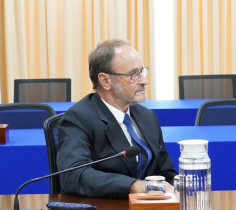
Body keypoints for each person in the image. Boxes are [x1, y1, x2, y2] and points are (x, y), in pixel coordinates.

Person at [57, 39, 177, 198]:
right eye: (133, 74)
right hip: (104, 209)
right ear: (105, 81)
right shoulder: (78, 118)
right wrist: (134, 186)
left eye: (142, 71)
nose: (144, 80)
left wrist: (181, 190)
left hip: (149, 208)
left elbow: (165, 172)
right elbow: (74, 175)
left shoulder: (147, 116)